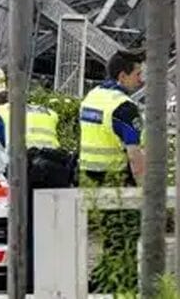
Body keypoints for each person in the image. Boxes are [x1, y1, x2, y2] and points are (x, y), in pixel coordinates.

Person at [0, 62, 70, 293]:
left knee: (26, 230)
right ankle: (57, 280)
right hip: (59, 171)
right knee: (54, 230)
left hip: (29, 173)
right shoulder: (44, 110)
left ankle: (29, 285)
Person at [80, 50, 145, 292]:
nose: (141, 79)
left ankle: (103, 281)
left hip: (89, 177)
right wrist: (145, 190)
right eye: (137, 74)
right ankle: (122, 286)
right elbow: (134, 156)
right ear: (122, 76)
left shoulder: (92, 96)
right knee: (126, 236)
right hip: (115, 179)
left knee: (110, 236)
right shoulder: (124, 108)